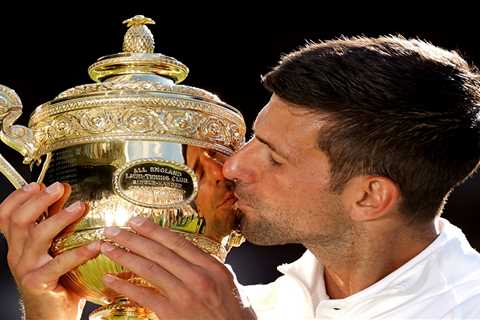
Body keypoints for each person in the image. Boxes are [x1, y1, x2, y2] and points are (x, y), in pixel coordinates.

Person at [2, 35, 480, 319]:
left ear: (370, 196)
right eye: (253, 137)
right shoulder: (250, 301)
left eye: (272, 157)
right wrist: (51, 311)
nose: (232, 165)